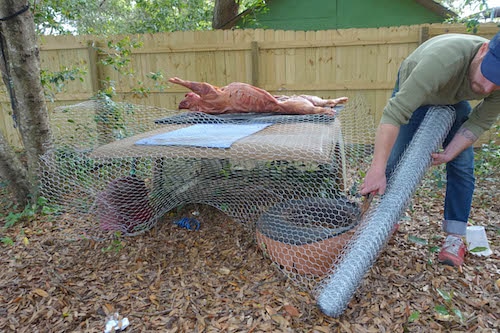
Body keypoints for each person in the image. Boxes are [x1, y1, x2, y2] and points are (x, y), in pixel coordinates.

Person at [360, 31, 500, 267]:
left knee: (463, 165)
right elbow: (394, 113)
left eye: (498, 83)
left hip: (453, 98)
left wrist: (450, 152)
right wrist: (377, 168)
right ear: (484, 50)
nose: (487, 88)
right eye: (489, 75)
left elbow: (478, 122)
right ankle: (384, 219)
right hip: (419, 89)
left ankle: (455, 237)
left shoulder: (494, 85)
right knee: (395, 161)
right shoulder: (441, 61)